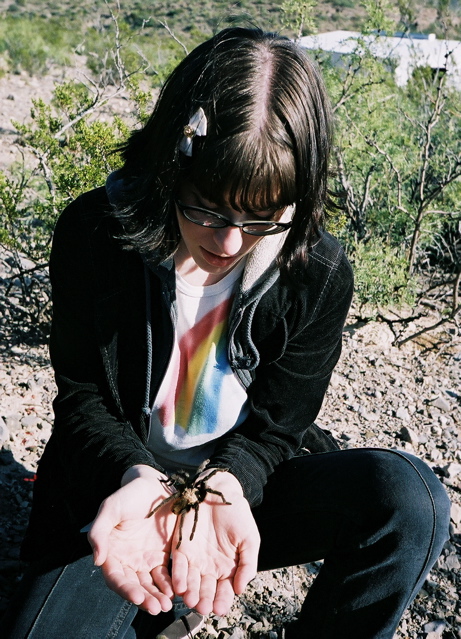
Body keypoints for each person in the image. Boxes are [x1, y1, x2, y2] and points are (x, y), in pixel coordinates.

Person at [1, 27, 450, 639]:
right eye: (206, 208)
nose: (230, 242)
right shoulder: (96, 235)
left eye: (263, 217)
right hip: (119, 494)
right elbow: (83, 400)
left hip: (239, 486)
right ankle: (163, 592)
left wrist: (227, 485)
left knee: (409, 501)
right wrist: (138, 479)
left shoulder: (315, 272)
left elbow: (278, 426)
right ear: (168, 172)